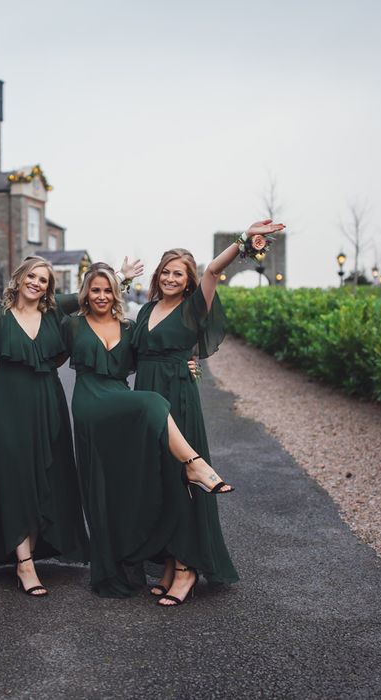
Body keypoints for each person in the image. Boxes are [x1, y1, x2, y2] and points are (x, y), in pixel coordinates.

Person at [132, 219, 285, 603]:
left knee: (185, 480)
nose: (170, 278)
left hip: (178, 398)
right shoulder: (145, 310)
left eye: (178, 273)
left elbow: (215, 269)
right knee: (162, 481)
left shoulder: (193, 306)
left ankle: (187, 569)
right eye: (165, 271)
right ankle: (170, 561)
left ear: (188, 280)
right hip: (148, 398)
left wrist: (243, 241)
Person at [62, 264, 231, 604]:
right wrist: (119, 278)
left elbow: (158, 349)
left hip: (120, 398)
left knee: (129, 481)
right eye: (95, 290)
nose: (102, 296)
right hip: (89, 402)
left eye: (108, 290)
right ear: (85, 293)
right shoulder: (72, 324)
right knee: (152, 403)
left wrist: (189, 360)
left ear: (116, 296)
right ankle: (195, 463)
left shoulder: (130, 326)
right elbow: (50, 309)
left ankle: (146, 558)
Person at [0, 257, 89, 596]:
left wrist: (122, 277)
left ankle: (33, 549)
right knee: (15, 476)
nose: (37, 283)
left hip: (47, 400)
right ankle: (24, 563)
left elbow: (90, 297)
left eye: (43, 280)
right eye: (32, 276)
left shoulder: (54, 314)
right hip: (6, 404)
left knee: (46, 473)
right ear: (19, 278)